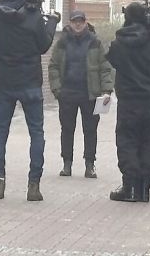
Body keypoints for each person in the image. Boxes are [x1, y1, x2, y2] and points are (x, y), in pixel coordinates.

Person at [0, 0, 60, 202]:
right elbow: (43, 45)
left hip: (5, 81)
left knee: (0, 131)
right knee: (36, 132)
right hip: (29, 81)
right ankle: (33, 185)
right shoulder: (33, 16)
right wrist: (51, 22)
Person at [105, 2, 150, 203]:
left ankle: (129, 187)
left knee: (127, 141)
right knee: (148, 142)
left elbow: (111, 59)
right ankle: (144, 189)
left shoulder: (119, 43)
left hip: (128, 102)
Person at [47, 10, 113, 179]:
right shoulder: (62, 42)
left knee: (90, 130)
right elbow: (53, 66)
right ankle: (67, 164)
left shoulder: (94, 42)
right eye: (75, 21)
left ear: (85, 22)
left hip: (90, 94)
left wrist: (106, 90)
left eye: (81, 21)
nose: (78, 24)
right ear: (70, 23)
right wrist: (57, 89)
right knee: (67, 129)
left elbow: (105, 68)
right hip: (67, 94)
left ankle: (90, 164)